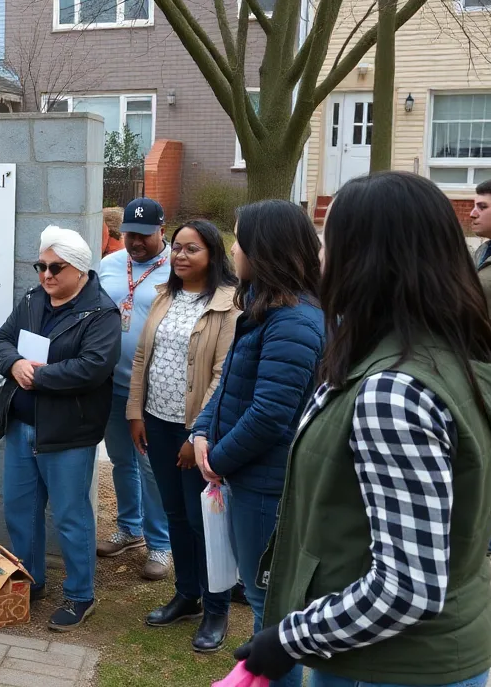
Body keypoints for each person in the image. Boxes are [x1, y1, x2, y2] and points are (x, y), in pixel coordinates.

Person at [238, 172, 491, 687]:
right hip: (427, 653)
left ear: (364, 259)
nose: (318, 258)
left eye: (326, 242)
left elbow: (407, 586)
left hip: (391, 666)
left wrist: (290, 639)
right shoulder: (455, 352)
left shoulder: (395, 392)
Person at [192, 199, 323, 687]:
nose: (233, 248)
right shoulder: (266, 310)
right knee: (263, 599)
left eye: (239, 239)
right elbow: (230, 383)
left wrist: (219, 459)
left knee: (271, 608)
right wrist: (202, 430)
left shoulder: (294, 320)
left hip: (269, 487)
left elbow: (270, 414)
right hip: (250, 478)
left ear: (264, 249)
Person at [0, 226, 121, 632]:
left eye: (55, 268)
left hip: (68, 433)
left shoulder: (101, 313)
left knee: (70, 515)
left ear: (79, 270)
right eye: (41, 266)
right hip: (22, 427)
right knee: (20, 509)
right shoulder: (32, 300)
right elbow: (0, 339)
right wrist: (14, 363)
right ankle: (32, 581)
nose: (46, 275)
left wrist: (38, 376)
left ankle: (80, 595)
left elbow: (92, 367)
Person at [126, 221, 239, 653]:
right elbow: (142, 357)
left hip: (198, 431)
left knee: (202, 520)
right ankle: (187, 594)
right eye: (177, 247)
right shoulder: (165, 295)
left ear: (213, 254)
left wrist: (197, 434)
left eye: (192, 249)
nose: (180, 255)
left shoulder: (228, 304)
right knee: (174, 513)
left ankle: (217, 607)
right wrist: (135, 412)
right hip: (157, 421)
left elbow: (222, 374)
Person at [97, 198, 172, 579]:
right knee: (121, 459)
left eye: (144, 235)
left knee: (151, 465)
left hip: (152, 388)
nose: (136, 242)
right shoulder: (110, 264)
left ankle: (161, 543)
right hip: (111, 382)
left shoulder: (178, 268)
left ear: (162, 230)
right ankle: (130, 528)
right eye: (130, 234)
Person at [469, 178, 491, 554]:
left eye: (483, 206)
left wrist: (472, 327)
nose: (473, 212)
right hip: (480, 362)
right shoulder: (483, 251)